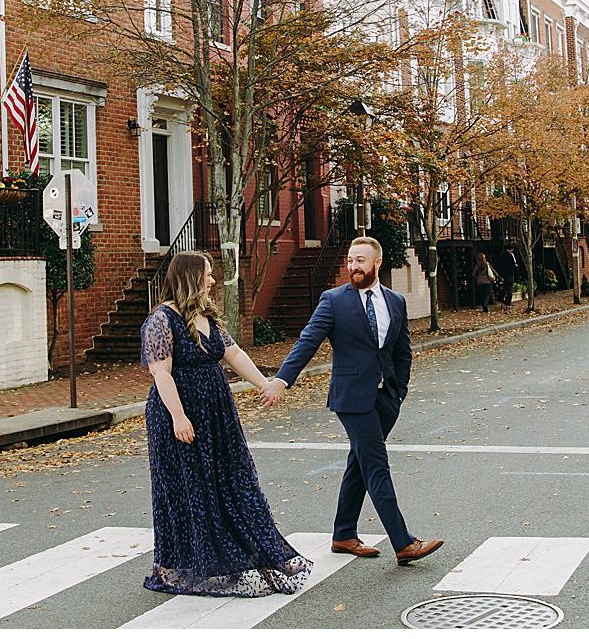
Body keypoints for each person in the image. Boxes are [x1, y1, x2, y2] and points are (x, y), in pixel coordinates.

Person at [262, 236, 443, 565]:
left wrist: (399, 391)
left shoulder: (396, 302)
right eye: (350, 260)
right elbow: (308, 341)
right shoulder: (333, 300)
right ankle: (403, 542)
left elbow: (402, 352)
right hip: (351, 398)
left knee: (359, 464)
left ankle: (344, 534)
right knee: (376, 465)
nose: (353, 266)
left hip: (386, 398)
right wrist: (282, 379)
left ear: (377, 262)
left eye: (360, 260)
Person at [141, 250, 311, 597]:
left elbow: (234, 355)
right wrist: (178, 415)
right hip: (179, 413)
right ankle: (186, 564)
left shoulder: (207, 316)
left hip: (216, 414)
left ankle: (250, 553)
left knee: (231, 481)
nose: (213, 280)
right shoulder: (161, 319)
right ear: (191, 278)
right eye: (207, 274)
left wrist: (265, 384)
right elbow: (161, 373)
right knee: (187, 487)